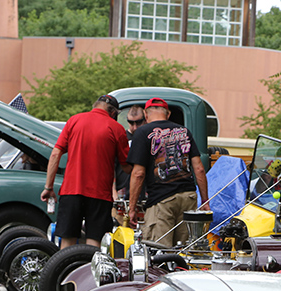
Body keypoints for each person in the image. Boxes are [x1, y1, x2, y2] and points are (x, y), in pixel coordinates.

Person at [42, 94, 130, 248]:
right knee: (94, 243)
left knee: (67, 242)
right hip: (100, 195)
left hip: (71, 191)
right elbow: (126, 166)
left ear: (94, 106)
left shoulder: (74, 120)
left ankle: (66, 271)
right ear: (114, 113)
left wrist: (48, 187)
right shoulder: (117, 128)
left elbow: (55, 153)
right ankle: (88, 272)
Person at [127, 97, 209, 248]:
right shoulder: (184, 132)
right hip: (188, 198)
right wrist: (205, 201)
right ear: (168, 114)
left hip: (161, 200)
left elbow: (138, 174)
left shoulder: (142, 132)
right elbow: (199, 168)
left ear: (146, 114)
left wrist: (132, 208)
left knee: (159, 252)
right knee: (185, 252)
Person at [115, 105, 145, 202]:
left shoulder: (148, 138)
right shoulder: (122, 137)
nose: (134, 127)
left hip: (144, 188)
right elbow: (111, 165)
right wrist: (113, 191)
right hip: (123, 188)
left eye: (138, 122)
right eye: (131, 123)